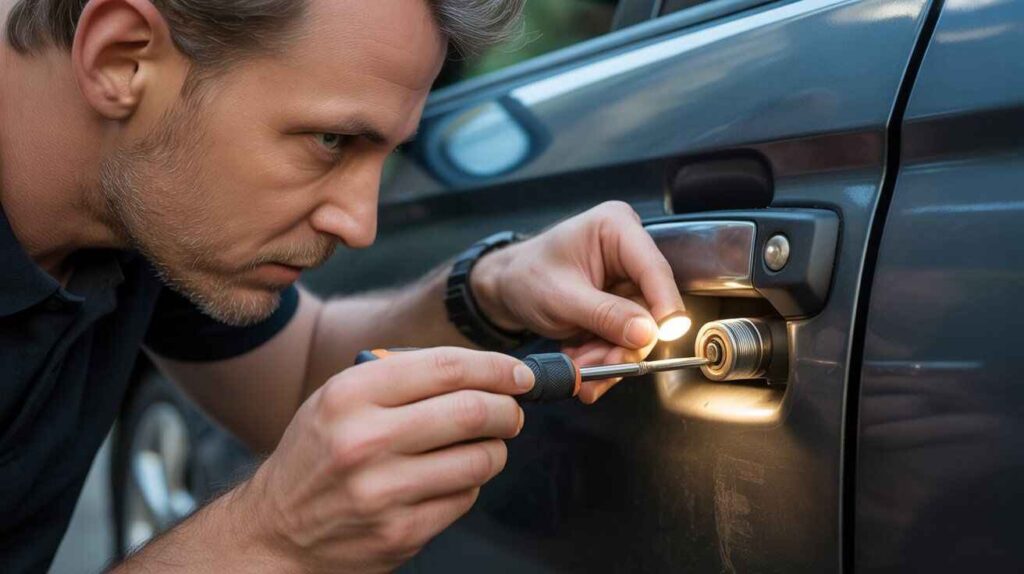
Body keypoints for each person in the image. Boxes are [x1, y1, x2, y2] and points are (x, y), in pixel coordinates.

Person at [0, 0, 687, 571]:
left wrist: (490, 290)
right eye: (330, 141)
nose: (358, 224)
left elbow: (298, 374)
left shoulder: (147, 200)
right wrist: (263, 538)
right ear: (121, 57)